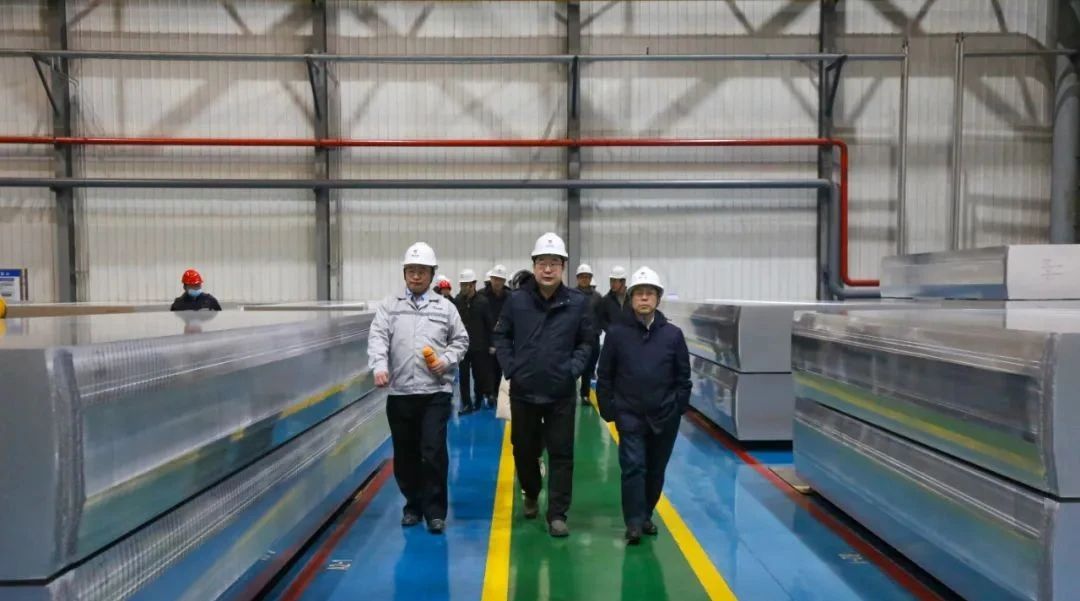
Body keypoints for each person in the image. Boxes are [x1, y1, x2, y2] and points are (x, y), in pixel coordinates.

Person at [493, 233, 593, 538]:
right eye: (542, 263)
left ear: (563, 266)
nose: (547, 269)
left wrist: (572, 370)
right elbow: (501, 336)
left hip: (560, 393)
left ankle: (558, 514)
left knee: (562, 454)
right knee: (524, 451)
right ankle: (532, 491)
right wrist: (511, 368)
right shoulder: (517, 301)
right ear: (534, 266)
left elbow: (587, 342)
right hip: (524, 392)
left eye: (554, 263)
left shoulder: (577, 303)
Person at [368, 242, 470, 534]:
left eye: (422, 271)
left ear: (432, 274)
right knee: (405, 453)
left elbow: (461, 340)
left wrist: (446, 361)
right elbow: (378, 337)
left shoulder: (445, 308)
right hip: (400, 392)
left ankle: (435, 511)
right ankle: (413, 505)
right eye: (411, 270)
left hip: (435, 392)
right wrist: (379, 366)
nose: (416, 276)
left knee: (433, 451)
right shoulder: (390, 306)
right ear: (404, 273)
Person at [596, 266, 691, 545]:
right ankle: (634, 522)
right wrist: (609, 408)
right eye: (639, 294)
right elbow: (605, 374)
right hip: (630, 415)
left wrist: (678, 408)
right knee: (633, 467)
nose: (645, 298)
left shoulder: (673, 335)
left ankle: (646, 513)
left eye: (650, 293)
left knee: (656, 469)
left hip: (665, 415)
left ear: (658, 298)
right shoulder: (616, 334)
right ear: (631, 299)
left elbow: (683, 377)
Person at [454, 268, 493, 414]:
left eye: (466, 285)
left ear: (473, 284)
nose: (463, 288)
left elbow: (489, 324)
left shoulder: (483, 302)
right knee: (463, 377)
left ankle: (478, 400)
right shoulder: (458, 301)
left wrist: (491, 344)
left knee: (479, 375)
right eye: (461, 285)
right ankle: (466, 404)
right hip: (462, 347)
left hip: (479, 346)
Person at [575, 263, 604, 406]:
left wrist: (598, 330)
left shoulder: (597, 297)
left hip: (593, 338)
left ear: (590, 278)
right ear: (577, 278)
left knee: (589, 367)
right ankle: (567, 393)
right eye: (582, 277)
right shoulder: (571, 295)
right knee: (573, 366)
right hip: (575, 338)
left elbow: (601, 315)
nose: (584, 279)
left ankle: (585, 394)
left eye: (587, 277)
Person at [479, 264, 510, 390]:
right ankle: (488, 393)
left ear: (504, 281)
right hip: (485, 338)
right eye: (495, 279)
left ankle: (497, 393)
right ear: (490, 279)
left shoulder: (510, 296)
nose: (497, 282)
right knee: (485, 369)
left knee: (501, 368)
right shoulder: (481, 296)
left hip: (504, 338)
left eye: (500, 279)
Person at [598, 265, 633, 332]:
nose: (612, 284)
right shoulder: (606, 300)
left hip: (630, 336)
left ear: (623, 282)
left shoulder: (632, 298)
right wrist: (610, 330)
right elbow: (601, 320)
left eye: (614, 281)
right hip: (612, 337)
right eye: (611, 280)